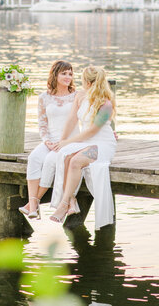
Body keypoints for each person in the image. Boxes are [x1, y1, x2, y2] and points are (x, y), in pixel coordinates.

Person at [50, 65, 116, 225]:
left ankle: (63, 204)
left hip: (102, 145)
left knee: (75, 161)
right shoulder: (80, 96)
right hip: (86, 142)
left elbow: (93, 131)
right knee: (65, 156)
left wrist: (69, 141)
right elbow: (72, 120)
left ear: (88, 82)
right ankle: (71, 202)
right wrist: (62, 141)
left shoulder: (106, 104)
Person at [19, 60, 78, 219]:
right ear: (55, 75)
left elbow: (90, 116)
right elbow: (42, 123)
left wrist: (108, 131)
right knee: (34, 158)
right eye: (64, 73)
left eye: (70, 74)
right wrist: (46, 141)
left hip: (69, 141)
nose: (68, 77)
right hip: (51, 140)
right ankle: (33, 205)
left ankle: (33, 204)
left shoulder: (76, 96)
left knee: (50, 161)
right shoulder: (44, 97)